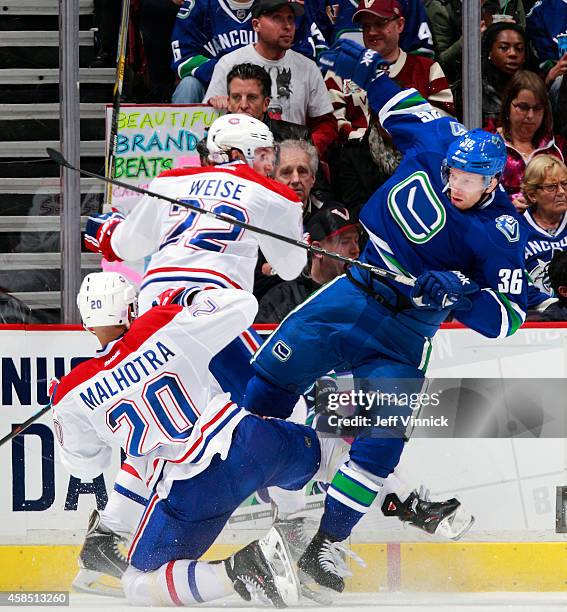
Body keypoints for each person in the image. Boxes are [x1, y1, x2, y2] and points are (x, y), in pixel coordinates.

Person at [243, 39, 528, 593]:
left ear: (494, 181)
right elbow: (395, 99)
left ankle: (326, 548)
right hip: (354, 290)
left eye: (469, 182)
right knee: (267, 383)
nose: (455, 186)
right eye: (452, 175)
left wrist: (462, 295)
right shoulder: (441, 138)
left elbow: (508, 319)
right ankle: (274, 500)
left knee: (382, 440)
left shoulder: (502, 235)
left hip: (406, 333)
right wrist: (367, 70)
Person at [78, 114, 306, 595]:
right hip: (209, 313)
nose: (271, 164)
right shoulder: (276, 195)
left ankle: (107, 537)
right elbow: (290, 267)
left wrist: (105, 229)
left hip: (152, 317)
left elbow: (121, 244)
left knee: (168, 423)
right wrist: (288, 245)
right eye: (265, 155)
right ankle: (292, 521)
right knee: (281, 402)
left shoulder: (170, 181)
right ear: (244, 154)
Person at [51, 271, 347, 607]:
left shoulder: (71, 391)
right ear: (131, 311)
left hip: (193, 487)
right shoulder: (163, 322)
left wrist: (63, 411)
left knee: (135, 582)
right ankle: (393, 503)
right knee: (335, 458)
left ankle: (237, 570)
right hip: (249, 438)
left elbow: (86, 466)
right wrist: (185, 296)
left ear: (87, 323)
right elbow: (244, 305)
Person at [204, 0, 338, 158]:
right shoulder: (229, 63)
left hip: (291, 165)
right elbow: (207, 125)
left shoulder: (308, 67)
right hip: (240, 160)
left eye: (290, 19)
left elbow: (326, 124)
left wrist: (307, 151)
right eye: (277, 18)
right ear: (256, 25)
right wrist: (220, 106)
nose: (287, 26)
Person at [325, 0, 454, 143]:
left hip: (415, 155)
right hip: (355, 156)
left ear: (400, 25)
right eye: (366, 26)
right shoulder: (341, 70)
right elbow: (330, 122)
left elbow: (446, 124)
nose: (372, 32)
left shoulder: (428, 69)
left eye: (380, 23)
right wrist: (362, 142)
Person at [170, 0, 327, 103]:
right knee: (188, 86)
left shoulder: (282, 6)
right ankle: (182, 150)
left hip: (275, 84)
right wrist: (231, 71)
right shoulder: (199, 5)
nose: (287, 23)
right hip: (216, 87)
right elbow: (184, 61)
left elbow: (308, 56)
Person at [256, 205, 360, 323]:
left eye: (356, 241)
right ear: (317, 250)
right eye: (345, 242)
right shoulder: (281, 298)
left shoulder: (364, 292)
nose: (355, 250)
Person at [496, 70, 566, 213]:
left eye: (537, 108)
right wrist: (506, 206)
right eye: (523, 107)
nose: (530, 115)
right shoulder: (489, 145)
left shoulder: (558, 147)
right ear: (508, 104)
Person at [520, 155, 567, 309]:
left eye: (565, 184)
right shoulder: (515, 231)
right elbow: (513, 281)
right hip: (533, 317)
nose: (561, 192)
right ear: (532, 194)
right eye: (551, 187)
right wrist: (550, 305)